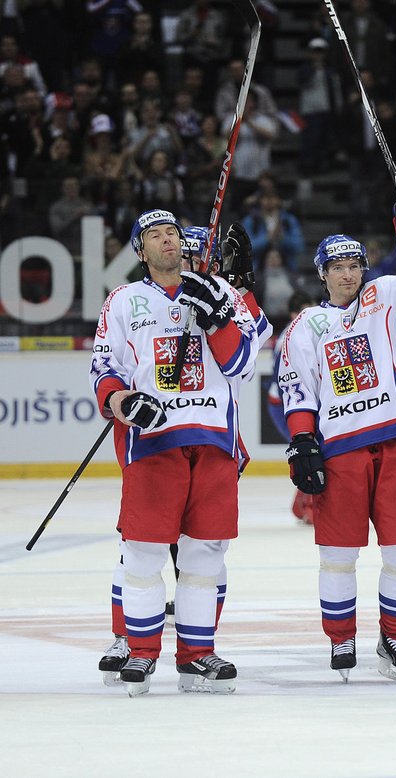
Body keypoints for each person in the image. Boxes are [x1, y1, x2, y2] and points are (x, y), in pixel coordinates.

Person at [90, 209, 260, 696]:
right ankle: (141, 652)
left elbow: (244, 364)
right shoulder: (124, 300)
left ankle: (197, 655)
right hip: (155, 443)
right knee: (142, 552)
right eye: (155, 235)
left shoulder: (219, 293)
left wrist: (218, 317)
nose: (168, 240)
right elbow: (105, 369)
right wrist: (124, 403)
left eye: (172, 233)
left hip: (211, 439)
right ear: (139, 251)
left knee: (204, 555)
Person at [278, 201, 396, 683]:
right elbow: (297, 388)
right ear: (322, 273)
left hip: (393, 444)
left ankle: (394, 637)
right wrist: (303, 442)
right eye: (338, 267)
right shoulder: (306, 325)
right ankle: (341, 637)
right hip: (341, 451)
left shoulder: (388, 296)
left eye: (354, 266)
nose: (348, 275)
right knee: (338, 553)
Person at [265, 290, 317, 525]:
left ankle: (302, 505)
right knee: (311, 450)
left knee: (315, 451)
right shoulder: (290, 336)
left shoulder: (309, 331)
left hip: (291, 402)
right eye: (303, 310)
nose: (308, 315)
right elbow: (282, 377)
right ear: (293, 313)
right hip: (285, 405)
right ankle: (308, 506)